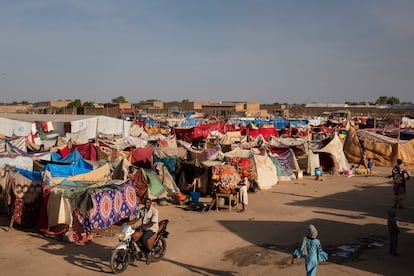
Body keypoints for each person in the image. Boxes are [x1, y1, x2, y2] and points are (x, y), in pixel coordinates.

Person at [131, 198, 159, 263]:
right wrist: (127, 223)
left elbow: (152, 223)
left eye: (148, 202)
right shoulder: (142, 210)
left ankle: (149, 253)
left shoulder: (154, 211)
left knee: (144, 238)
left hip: (152, 228)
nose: (146, 204)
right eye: (145, 203)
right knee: (133, 235)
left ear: (150, 203)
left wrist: (143, 227)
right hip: (143, 227)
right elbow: (136, 219)